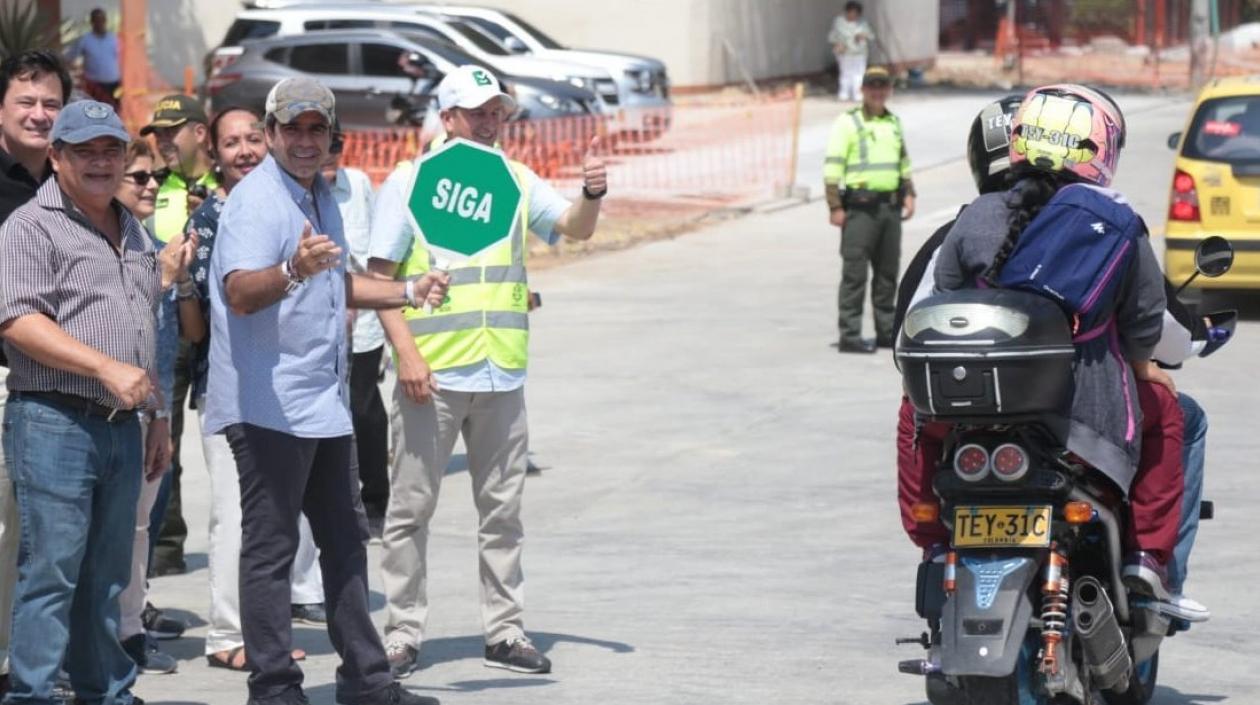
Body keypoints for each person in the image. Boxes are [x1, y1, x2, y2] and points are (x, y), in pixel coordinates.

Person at [203, 77, 446, 705]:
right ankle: (275, 690)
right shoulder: (256, 202)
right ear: (272, 132)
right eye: (293, 128)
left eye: (317, 129)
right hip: (267, 405)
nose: (305, 140)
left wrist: (405, 291)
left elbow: (334, 282)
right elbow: (239, 292)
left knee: (344, 542)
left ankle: (365, 683)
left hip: (321, 401)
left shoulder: (319, 195)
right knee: (272, 548)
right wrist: (291, 269)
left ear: (330, 135)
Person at [368, 64, 606, 678]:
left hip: (501, 373)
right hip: (434, 378)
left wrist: (593, 195)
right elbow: (379, 280)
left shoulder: (515, 178)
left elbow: (573, 229)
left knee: (502, 514)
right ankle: (401, 634)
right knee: (409, 512)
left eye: (499, 110)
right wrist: (409, 357)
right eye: (479, 111)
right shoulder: (410, 180)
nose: (493, 120)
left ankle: (504, 631)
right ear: (448, 118)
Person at [931, 84, 1192, 612]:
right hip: (1082, 425)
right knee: (1168, 411)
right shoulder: (1117, 223)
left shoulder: (973, 216)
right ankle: (1148, 560)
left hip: (973, 418)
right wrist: (1143, 367)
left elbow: (944, 299)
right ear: (1102, 149)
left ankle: (936, 546)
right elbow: (1144, 321)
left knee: (912, 418)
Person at [0, 100, 163, 705]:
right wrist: (103, 366)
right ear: (57, 157)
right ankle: (35, 696)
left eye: (111, 150)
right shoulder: (29, 226)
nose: (101, 162)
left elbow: (141, 321)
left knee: (106, 577)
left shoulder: (134, 225)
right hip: (53, 420)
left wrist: (160, 416)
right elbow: (15, 318)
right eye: (85, 151)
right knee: (51, 574)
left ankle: (105, 693)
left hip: (124, 425)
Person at [180, 105, 326, 670]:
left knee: (276, 521)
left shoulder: (291, 201)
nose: (243, 151)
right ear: (213, 153)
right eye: (230, 142)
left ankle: (264, 632)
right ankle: (227, 634)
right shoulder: (210, 220)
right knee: (237, 517)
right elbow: (198, 327)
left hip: (290, 386)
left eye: (251, 140)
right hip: (233, 388)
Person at [113, 140, 198, 675]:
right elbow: (120, 327)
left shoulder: (152, 242)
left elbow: (185, 333)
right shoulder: (105, 243)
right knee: (108, 535)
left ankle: (129, 632)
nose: (150, 185)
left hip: (153, 406)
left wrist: (181, 276)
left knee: (139, 530)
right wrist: (165, 276)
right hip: (110, 408)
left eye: (155, 177)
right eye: (138, 176)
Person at [0, 50, 69, 699]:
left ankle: (19, 663)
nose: (39, 113)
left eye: (50, 103)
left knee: (31, 534)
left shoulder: (69, 184)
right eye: (26, 101)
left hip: (45, 385)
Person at [139, 93, 220, 578]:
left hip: (219, 330)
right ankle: (164, 547)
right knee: (162, 441)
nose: (164, 142)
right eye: (159, 134)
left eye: (173, 131)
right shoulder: (153, 185)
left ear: (201, 133)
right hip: (171, 331)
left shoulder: (228, 183)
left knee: (229, 448)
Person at [320, 127, 390, 540]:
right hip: (318, 323)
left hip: (361, 321)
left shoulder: (359, 185)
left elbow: (379, 247)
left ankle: (376, 499)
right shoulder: (297, 189)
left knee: (365, 409)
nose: (329, 155)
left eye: (336, 147)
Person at [823, 65, 915, 354]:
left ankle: (886, 332)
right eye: (872, 86)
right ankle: (850, 334)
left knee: (888, 274)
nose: (877, 91)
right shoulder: (848, 123)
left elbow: (903, 163)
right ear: (862, 90)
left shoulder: (894, 123)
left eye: (882, 86)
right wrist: (835, 206)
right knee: (855, 274)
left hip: (889, 208)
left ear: (888, 89)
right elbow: (832, 168)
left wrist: (909, 193)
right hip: (859, 210)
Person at [64, 8, 120, 108]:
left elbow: (123, 60)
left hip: (114, 84)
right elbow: (70, 58)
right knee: (96, 112)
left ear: (105, 21)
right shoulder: (84, 40)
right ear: (92, 22)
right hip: (94, 85)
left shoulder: (114, 39)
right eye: (96, 20)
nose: (99, 23)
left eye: (101, 20)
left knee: (115, 111)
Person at [827, 1, 876, 102]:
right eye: (851, 12)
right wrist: (836, 44)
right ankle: (844, 93)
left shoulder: (863, 23)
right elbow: (832, 36)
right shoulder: (839, 22)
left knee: (859, 73)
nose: (853, 15)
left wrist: (863, 35)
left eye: (856, 13)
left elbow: (871, 35)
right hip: (844, 52)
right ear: (847, 12)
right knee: (845, 73)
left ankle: (857, 94)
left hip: (860, 52)